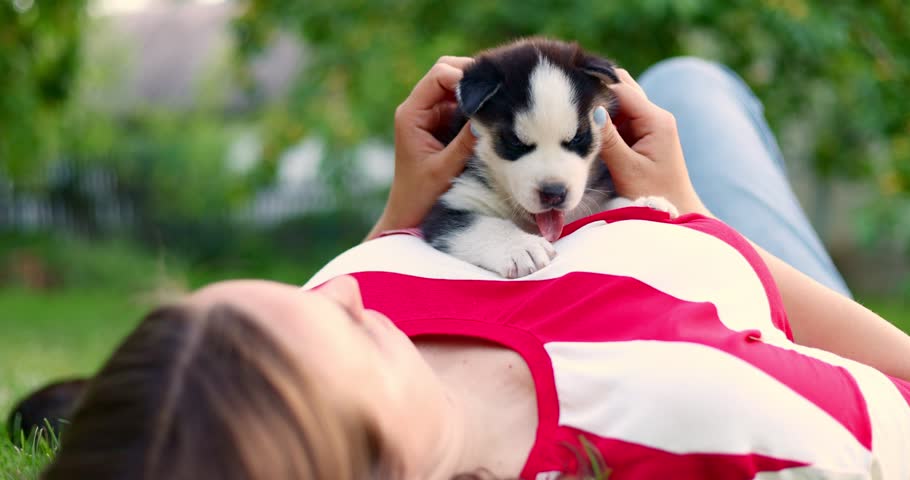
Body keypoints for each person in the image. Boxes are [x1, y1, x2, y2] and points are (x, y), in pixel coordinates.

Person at [41, 55, 910, 480]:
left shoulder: (337, 326)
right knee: (696, 82)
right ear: (382, 459)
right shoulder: (697, 413)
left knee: (685, 80)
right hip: (748, 294)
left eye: (302, 293)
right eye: (344, 324)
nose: (345, 293)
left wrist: (397, 221)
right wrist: (694, 220)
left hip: (619, 225)